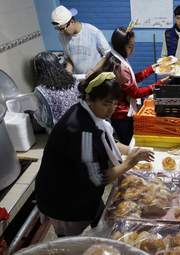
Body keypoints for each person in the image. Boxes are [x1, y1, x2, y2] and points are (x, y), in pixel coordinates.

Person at [35, 72, 154, 237]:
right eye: (106, 103)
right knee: (71, 244)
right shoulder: (82, 130)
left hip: (81, 187)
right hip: (64, 198)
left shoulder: (87, 112)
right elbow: (96, 179)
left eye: (115, 103)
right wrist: (128, 163)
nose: (112, 109)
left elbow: (106, 141)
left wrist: (132, 151)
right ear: (89, 98)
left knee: (100, 219)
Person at [101, 26, 170, 145]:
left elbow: (131, 80)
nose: (133, 49)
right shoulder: (119, 67)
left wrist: (150, 69)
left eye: (133, 45)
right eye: (130, 47)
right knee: (128, 144)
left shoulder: (116, 57)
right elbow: (136, 93)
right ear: (120, 46)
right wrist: (159, 84)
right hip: (120, 114)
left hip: (122, 109)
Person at [51, 5, 111, 77]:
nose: (62, 32)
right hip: (79, 77)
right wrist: (68, 69)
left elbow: (107, 54)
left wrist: (93, 71)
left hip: (96, 75)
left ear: (72, 22)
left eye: (63, 28)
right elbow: (68, 56)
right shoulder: (62, 36)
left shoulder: (93, 32)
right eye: (59, 29)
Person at [31, 51, 80, 134]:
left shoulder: (41, 90)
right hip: (79, 122)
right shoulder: (73, 79)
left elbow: (44, 120)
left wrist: (34, 115)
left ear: (38, 70)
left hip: (60, 131)